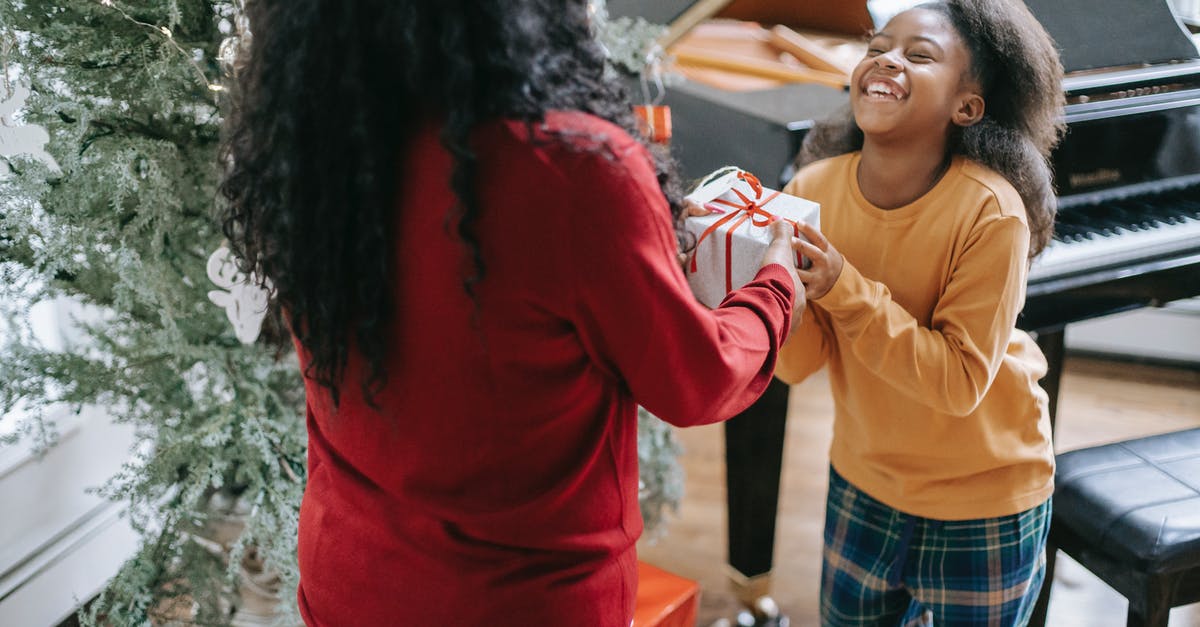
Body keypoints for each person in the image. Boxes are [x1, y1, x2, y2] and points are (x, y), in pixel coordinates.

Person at [217, 1, 808, 625]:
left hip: (351, 578)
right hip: (523, 601)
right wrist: (775, 290)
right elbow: (698, 378)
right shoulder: (575, 166)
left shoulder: (315, 144)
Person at [773, 1, 1064, 625]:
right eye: (879, 47)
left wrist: (841, 287)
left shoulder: (991, 210)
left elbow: (959, 384)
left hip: (986, 497)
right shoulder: (812, 190)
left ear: (967, 106)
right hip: (863, 480)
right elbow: (798, 366)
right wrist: (762, 290)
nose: (887, 60)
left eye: (919, 54)